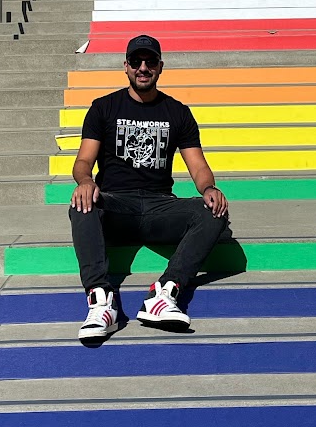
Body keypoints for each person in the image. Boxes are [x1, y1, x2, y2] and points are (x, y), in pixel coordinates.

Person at [69, 33, 231, 344]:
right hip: (116, 204)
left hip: (159, 207)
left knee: (214, 211)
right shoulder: (103, 107)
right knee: (81, 202)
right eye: (137, 61)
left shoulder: (177, 112)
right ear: (126, 66)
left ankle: (164, 293)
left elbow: (197, 166)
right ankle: (102, 301)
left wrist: (209, 187)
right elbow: (83, 161)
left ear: (160, 67)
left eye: (150, 61)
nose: (143, 67)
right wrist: (86, 181)